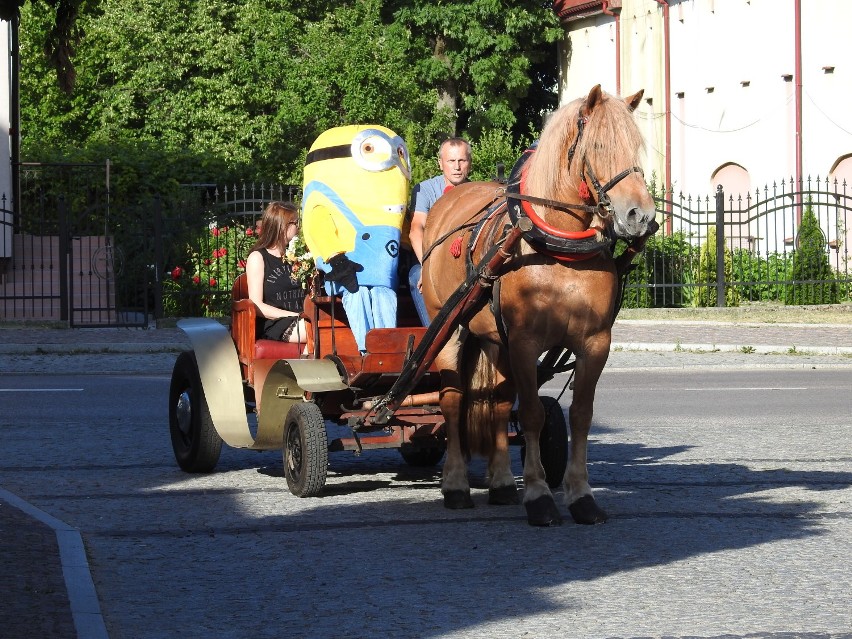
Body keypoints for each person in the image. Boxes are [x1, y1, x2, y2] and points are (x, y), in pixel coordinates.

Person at [301, 125, 411, 352]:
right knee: (356, 293)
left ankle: (388, 346)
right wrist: (337, 260)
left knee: (383, 294)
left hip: (381, 273)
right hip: (343, 270)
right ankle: (367, 349)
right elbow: (318, 224)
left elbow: (402, 228)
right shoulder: (322, 197)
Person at [407, 137, 472, 325]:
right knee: (415, 276)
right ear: (440, 163)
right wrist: (427, 267)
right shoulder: (425, 189)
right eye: (451, 161)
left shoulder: (478, 191)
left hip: (467, 262)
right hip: (431, 258)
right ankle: (435, 339)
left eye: (462, 160)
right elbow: (416, 229)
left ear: (469, 163)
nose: (457, 167)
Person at [245, 201, 307, 343]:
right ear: (282, 225)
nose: (298, 227)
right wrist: (294, 315)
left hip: (303, 318)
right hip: (275, 323)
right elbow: (256, 305)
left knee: (330, 326)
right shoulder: (258, 257)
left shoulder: (297, 256)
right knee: (315, 330)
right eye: (295, 223)